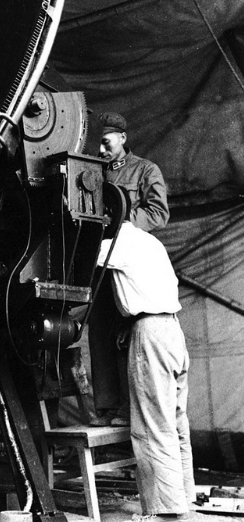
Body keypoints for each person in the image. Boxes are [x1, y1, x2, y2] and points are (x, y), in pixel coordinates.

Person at [97, 200, 195, 520]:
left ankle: (164, 511)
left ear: (110, 215)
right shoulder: (151, 242)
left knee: (151, 425)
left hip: (150, 331)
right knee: (175, 421)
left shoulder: (119, 243)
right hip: (173, 330)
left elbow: (79, 256)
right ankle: (184, 498)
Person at [89, 111, 170, 426]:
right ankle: (107, 408)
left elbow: (158, 214)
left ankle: (129, 408)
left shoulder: (146, 170)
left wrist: (121, 222)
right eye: (97, 145)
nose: (101, 151)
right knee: (99, 332)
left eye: (106, 143)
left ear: (122, 137)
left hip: (130, 269)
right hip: (100, 265)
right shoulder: (93, 172)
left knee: (128, 334)